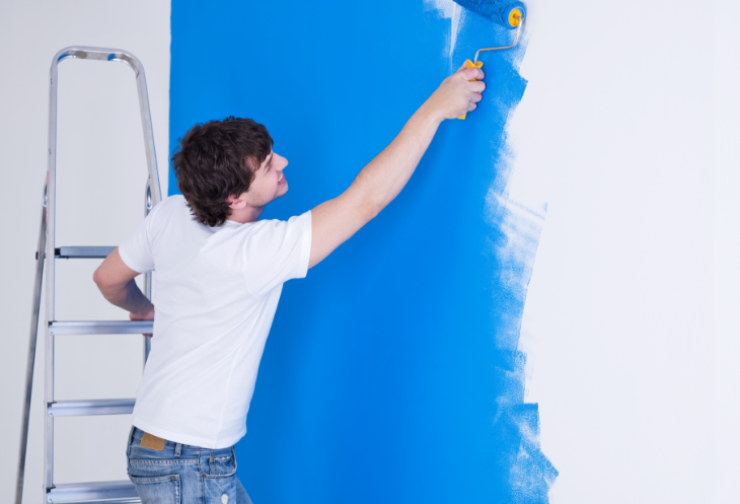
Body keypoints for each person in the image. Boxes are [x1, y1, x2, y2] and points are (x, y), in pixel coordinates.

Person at [93, 62, 485, 504]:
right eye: (266, 165)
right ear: (234, 198)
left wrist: (146, 310)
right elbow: (365, 201)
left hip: (158, 447)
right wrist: (435, 109)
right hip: (191, 461)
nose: (282, 162)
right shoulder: (251, 253)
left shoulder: (171, 212)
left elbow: (107, 278)